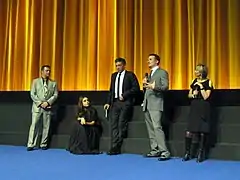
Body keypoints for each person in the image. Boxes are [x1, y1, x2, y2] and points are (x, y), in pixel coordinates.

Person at [104, 58, 140, 155]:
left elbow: (136, 88)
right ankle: (114, 146)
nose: (117, 67)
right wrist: (108, 102)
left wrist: (125, 95)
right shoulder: (113, 76)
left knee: (121, 124)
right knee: (113, 125)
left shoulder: (130, 75)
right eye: (116, 65)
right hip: (115, 103)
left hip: (125, 102)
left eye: (119, 65)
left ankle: (117, 146)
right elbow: (111, 90)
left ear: (124, 65)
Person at [182, 64, 213, 163]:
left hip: (203, 107)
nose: (195, 72)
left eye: (196, 70)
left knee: (203, 130)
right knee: (189, 130)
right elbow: (189, 95)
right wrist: (193, 95)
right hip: (194, 106)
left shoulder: (209, 82)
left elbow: (206, 97)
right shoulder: (193, 81)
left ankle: (201, 153)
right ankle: (187, 153)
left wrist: (201, 87)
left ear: (201, 72)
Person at [142, 53, 170, 161]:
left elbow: (165, 87)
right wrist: (146, 86)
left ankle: (165, 151)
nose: (148, 61)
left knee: (157, 127)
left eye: (150, 59)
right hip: (147, 104)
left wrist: (154, 86)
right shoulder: (149, 74)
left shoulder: (162, 72)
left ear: (157, 61)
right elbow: (148, 89)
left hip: (156, 104)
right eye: (148, 59)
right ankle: (155, 150)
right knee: (150, 129)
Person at [27, 65, 58, 151]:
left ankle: (43, 144)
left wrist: (48, 102)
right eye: (47, 71)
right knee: (34, 125)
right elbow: (32, 94)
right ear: (42, 71)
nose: (48, 72)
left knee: (46, 126)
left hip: (48, 108)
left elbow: (55, 95)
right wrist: (40, 103)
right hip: (37, 108)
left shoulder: (53, 83)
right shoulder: (35, 82)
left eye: (49, 71)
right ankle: (30, 144)